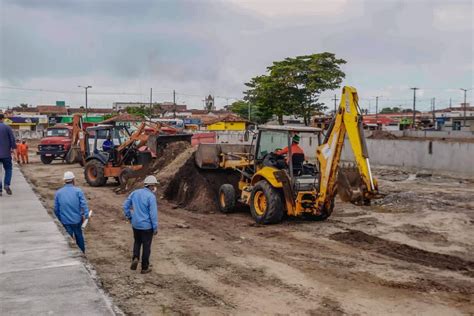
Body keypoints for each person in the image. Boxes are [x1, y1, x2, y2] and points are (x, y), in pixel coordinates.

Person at [123, 175, 159, 274]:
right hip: (147, 226)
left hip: (136, 224)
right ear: (151, 185)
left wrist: (129, 216)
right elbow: (153, 214)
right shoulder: (151, 197)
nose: (155, 187)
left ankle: (135, 257)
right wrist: (155, 227)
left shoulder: (135, 193)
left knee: (137, 242)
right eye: (154, 185)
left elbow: (125, 205)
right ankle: (144, 267)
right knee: (146, 246)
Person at [54, 171, 90, 253]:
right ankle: (82, 253)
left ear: (64, 180)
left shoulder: (59, 193)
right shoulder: (78, 191)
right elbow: (83, 204)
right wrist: (86, 215)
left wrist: (59, 218)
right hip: (77, 220)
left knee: (68, 239)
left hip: (65, 221)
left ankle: (70, 253)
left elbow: (56, 209)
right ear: (73, 179)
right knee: (79, 236)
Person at [0, 113, 17, 196]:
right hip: (6, 154)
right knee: (8, 169)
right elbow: (12, 141)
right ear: (2, 119)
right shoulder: (7, 128)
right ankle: (6, 185)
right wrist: (15, 153)